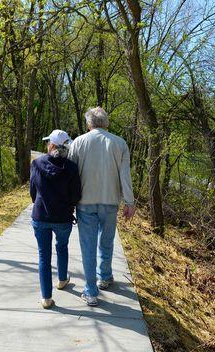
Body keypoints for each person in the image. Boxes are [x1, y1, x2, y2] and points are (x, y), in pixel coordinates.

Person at [68, 107, 135, 307]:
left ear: (89, 124)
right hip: (110, 200)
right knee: (106, 241)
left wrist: (69, 202)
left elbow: (71, 176)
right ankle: (104, 277)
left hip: (84, 201)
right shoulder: (119, 143)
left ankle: (90, 291)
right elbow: (125, 175)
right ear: (106, 123)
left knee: (87, 246)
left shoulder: (79, 142)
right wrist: (129, 202)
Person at [30, 129, 81, 309]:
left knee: (44, 256)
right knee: (62, 247)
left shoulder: (36, 163)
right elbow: (76, 195)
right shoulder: (72, 168)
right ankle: (61, 279)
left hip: (40, 216)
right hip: (63, 218)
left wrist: (40, 205)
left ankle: (46, 297)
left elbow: (32, 191)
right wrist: (69, 206)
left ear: (50, 145)